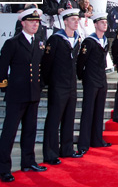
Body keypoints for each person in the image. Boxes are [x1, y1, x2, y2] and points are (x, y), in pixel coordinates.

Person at [0, 8, 47, 182]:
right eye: (32, 21)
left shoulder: (39, 42)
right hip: (16, 94)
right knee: (9, 133)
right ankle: (4, 169)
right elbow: (2, 68)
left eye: (37, 22)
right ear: (23, 23)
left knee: (30, 131)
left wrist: (40, 86)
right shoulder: (13, 43)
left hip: (33, 93)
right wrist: (5, 88)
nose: (35, 24)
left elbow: (41, 67)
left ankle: (28, 161)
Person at [42, 9, 84, 165]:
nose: (75, 22)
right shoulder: (55, 39)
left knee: (69, 118)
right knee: (54, 119)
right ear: (65, 21)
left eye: (77, 19)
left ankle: (67, 149)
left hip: (71, 84)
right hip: (58, 84)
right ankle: (50, 153)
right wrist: (47, 82)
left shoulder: (77, 39)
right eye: (72, 19)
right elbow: (46, 63)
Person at [76, 13, 112, 154]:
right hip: (90, 79)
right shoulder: (89, 41)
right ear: (95, 24)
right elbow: (81, 61)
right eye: (102, 22)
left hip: (102, 78)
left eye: (106, 22)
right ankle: (83, 144)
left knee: (99, 110)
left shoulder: (105, 41)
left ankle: (97, 139)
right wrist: (83, 76)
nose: (105, 24)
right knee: (88, 111)